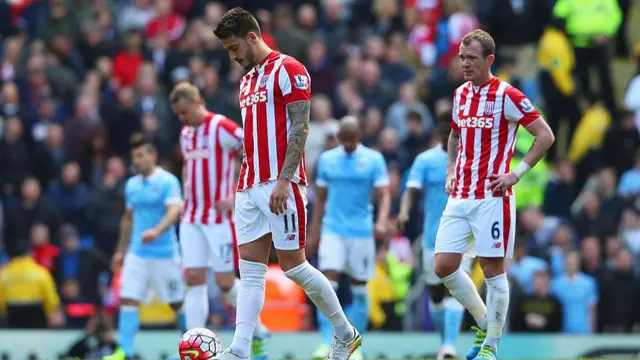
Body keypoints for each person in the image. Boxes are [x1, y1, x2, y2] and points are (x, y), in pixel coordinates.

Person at [213, 7, 360, 360]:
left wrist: (283, 179)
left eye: (234, 48)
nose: (233, 57)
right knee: (249, 271)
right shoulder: (247, 80)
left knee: (295, 266)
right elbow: (251, 137)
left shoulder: (289, 69)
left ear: (252, 37)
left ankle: (345, 332)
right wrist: (241, 184)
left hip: (283, 184)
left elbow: (301, 127)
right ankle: (240, 350)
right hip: (249, 186)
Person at [433, 29, 555, 360]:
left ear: (489, 60)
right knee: (443, 266)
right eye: (461, 57)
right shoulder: (459, 94)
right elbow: (455, 136)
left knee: (492, 270)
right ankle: (485, 321)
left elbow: (545, 136)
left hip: (492, 196)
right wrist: (449, 170)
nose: (465, 63)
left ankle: (491, 346)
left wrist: (516, 173)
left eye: (471, 58)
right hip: (460, 193)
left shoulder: (508, 95)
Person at [170, 82, 269, 360]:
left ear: (198, 101)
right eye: (178, 114)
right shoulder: (186, 134)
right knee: (193, 278)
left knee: (225, 282)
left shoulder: (222, 127)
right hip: (191, 216)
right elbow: (189, 168)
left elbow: (253, 153)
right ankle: (192, 346)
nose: (182, 118)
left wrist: (236, 194)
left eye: (184, 111)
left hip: (218, 218)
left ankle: (257, 329)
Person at [309, 115, 391, 360]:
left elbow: (384, 194)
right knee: (327, 284)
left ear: (359, 136)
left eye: (350, 138)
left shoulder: (373, 159)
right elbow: (321, 198)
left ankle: (354, 346)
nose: (346, 143)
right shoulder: (327, 160)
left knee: (359, 289)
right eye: (342, 139)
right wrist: (314, 232)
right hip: (333, 229)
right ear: (338, 138)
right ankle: (326, 342)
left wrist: (381, 221)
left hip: (361, 231)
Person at [397, 120, 471, 360]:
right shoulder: (426, 160)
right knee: (436, 295)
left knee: (455, 290)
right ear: (439, 134)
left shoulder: (471, 160)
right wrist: (404, 211)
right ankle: (445, 344)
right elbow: (411, 189)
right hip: (432, 237)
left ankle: (449, 345)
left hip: (462, 236)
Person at [106, 138, 185, 360]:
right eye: (134, 158)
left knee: (176, 303)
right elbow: (128, 219)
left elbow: (174, 211)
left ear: (153, 156)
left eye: (141, 156)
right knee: (128, 298)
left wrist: (156, 231)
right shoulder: (131, 185)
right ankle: (125, 351)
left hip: (165, 254)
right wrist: (120, 251)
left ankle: (191, 348)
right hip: (137, 254)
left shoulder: (168, 181)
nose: (136, 161)